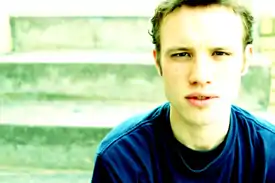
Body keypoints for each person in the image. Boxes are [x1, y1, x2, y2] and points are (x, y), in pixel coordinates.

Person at [91, 0, 275, 182]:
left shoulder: (270, 156)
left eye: (220, 53)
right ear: (158, 62)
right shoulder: (122, 160)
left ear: (245, 60)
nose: (201, 76)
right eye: (181, 54)